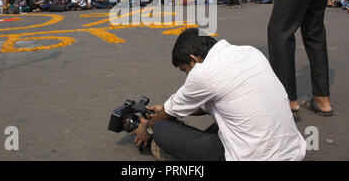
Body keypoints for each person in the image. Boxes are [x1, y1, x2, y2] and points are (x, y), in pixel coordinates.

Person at [131, 28, 306, 161]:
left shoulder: (203, 73)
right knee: (223, 121)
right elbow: (209, 105)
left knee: (162, 128)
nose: (187, 75)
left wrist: (147, 127)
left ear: (194, 59)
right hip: (291, 152)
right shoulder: (249, 52)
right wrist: (166, 110)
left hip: (252, 156)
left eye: (185, 70)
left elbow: (168, 113)